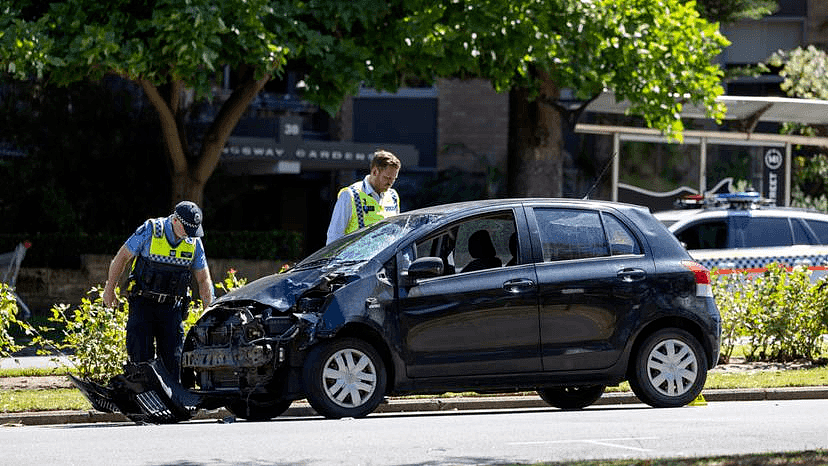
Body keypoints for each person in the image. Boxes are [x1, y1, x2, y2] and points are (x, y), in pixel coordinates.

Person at [103, 201, 213, 381]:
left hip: (172, 309)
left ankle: (171, 405)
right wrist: (110, 288)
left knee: (173, 363)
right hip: (143, 305)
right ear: (175, 220)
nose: (190, 235)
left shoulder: (194, 242)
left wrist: (208, 310)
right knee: (140, 360)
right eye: (187, 229)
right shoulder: (151, 230)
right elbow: (122, 257)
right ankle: (141, 403)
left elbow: (203, 279)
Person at [326, 149, 401, 244]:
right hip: (355, 257)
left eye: (393, 179)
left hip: (385, 258)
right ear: (374, 172)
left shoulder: (393, 196)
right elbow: (334, 236)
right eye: (387, 178)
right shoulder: (350, 195)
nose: (390, 183)